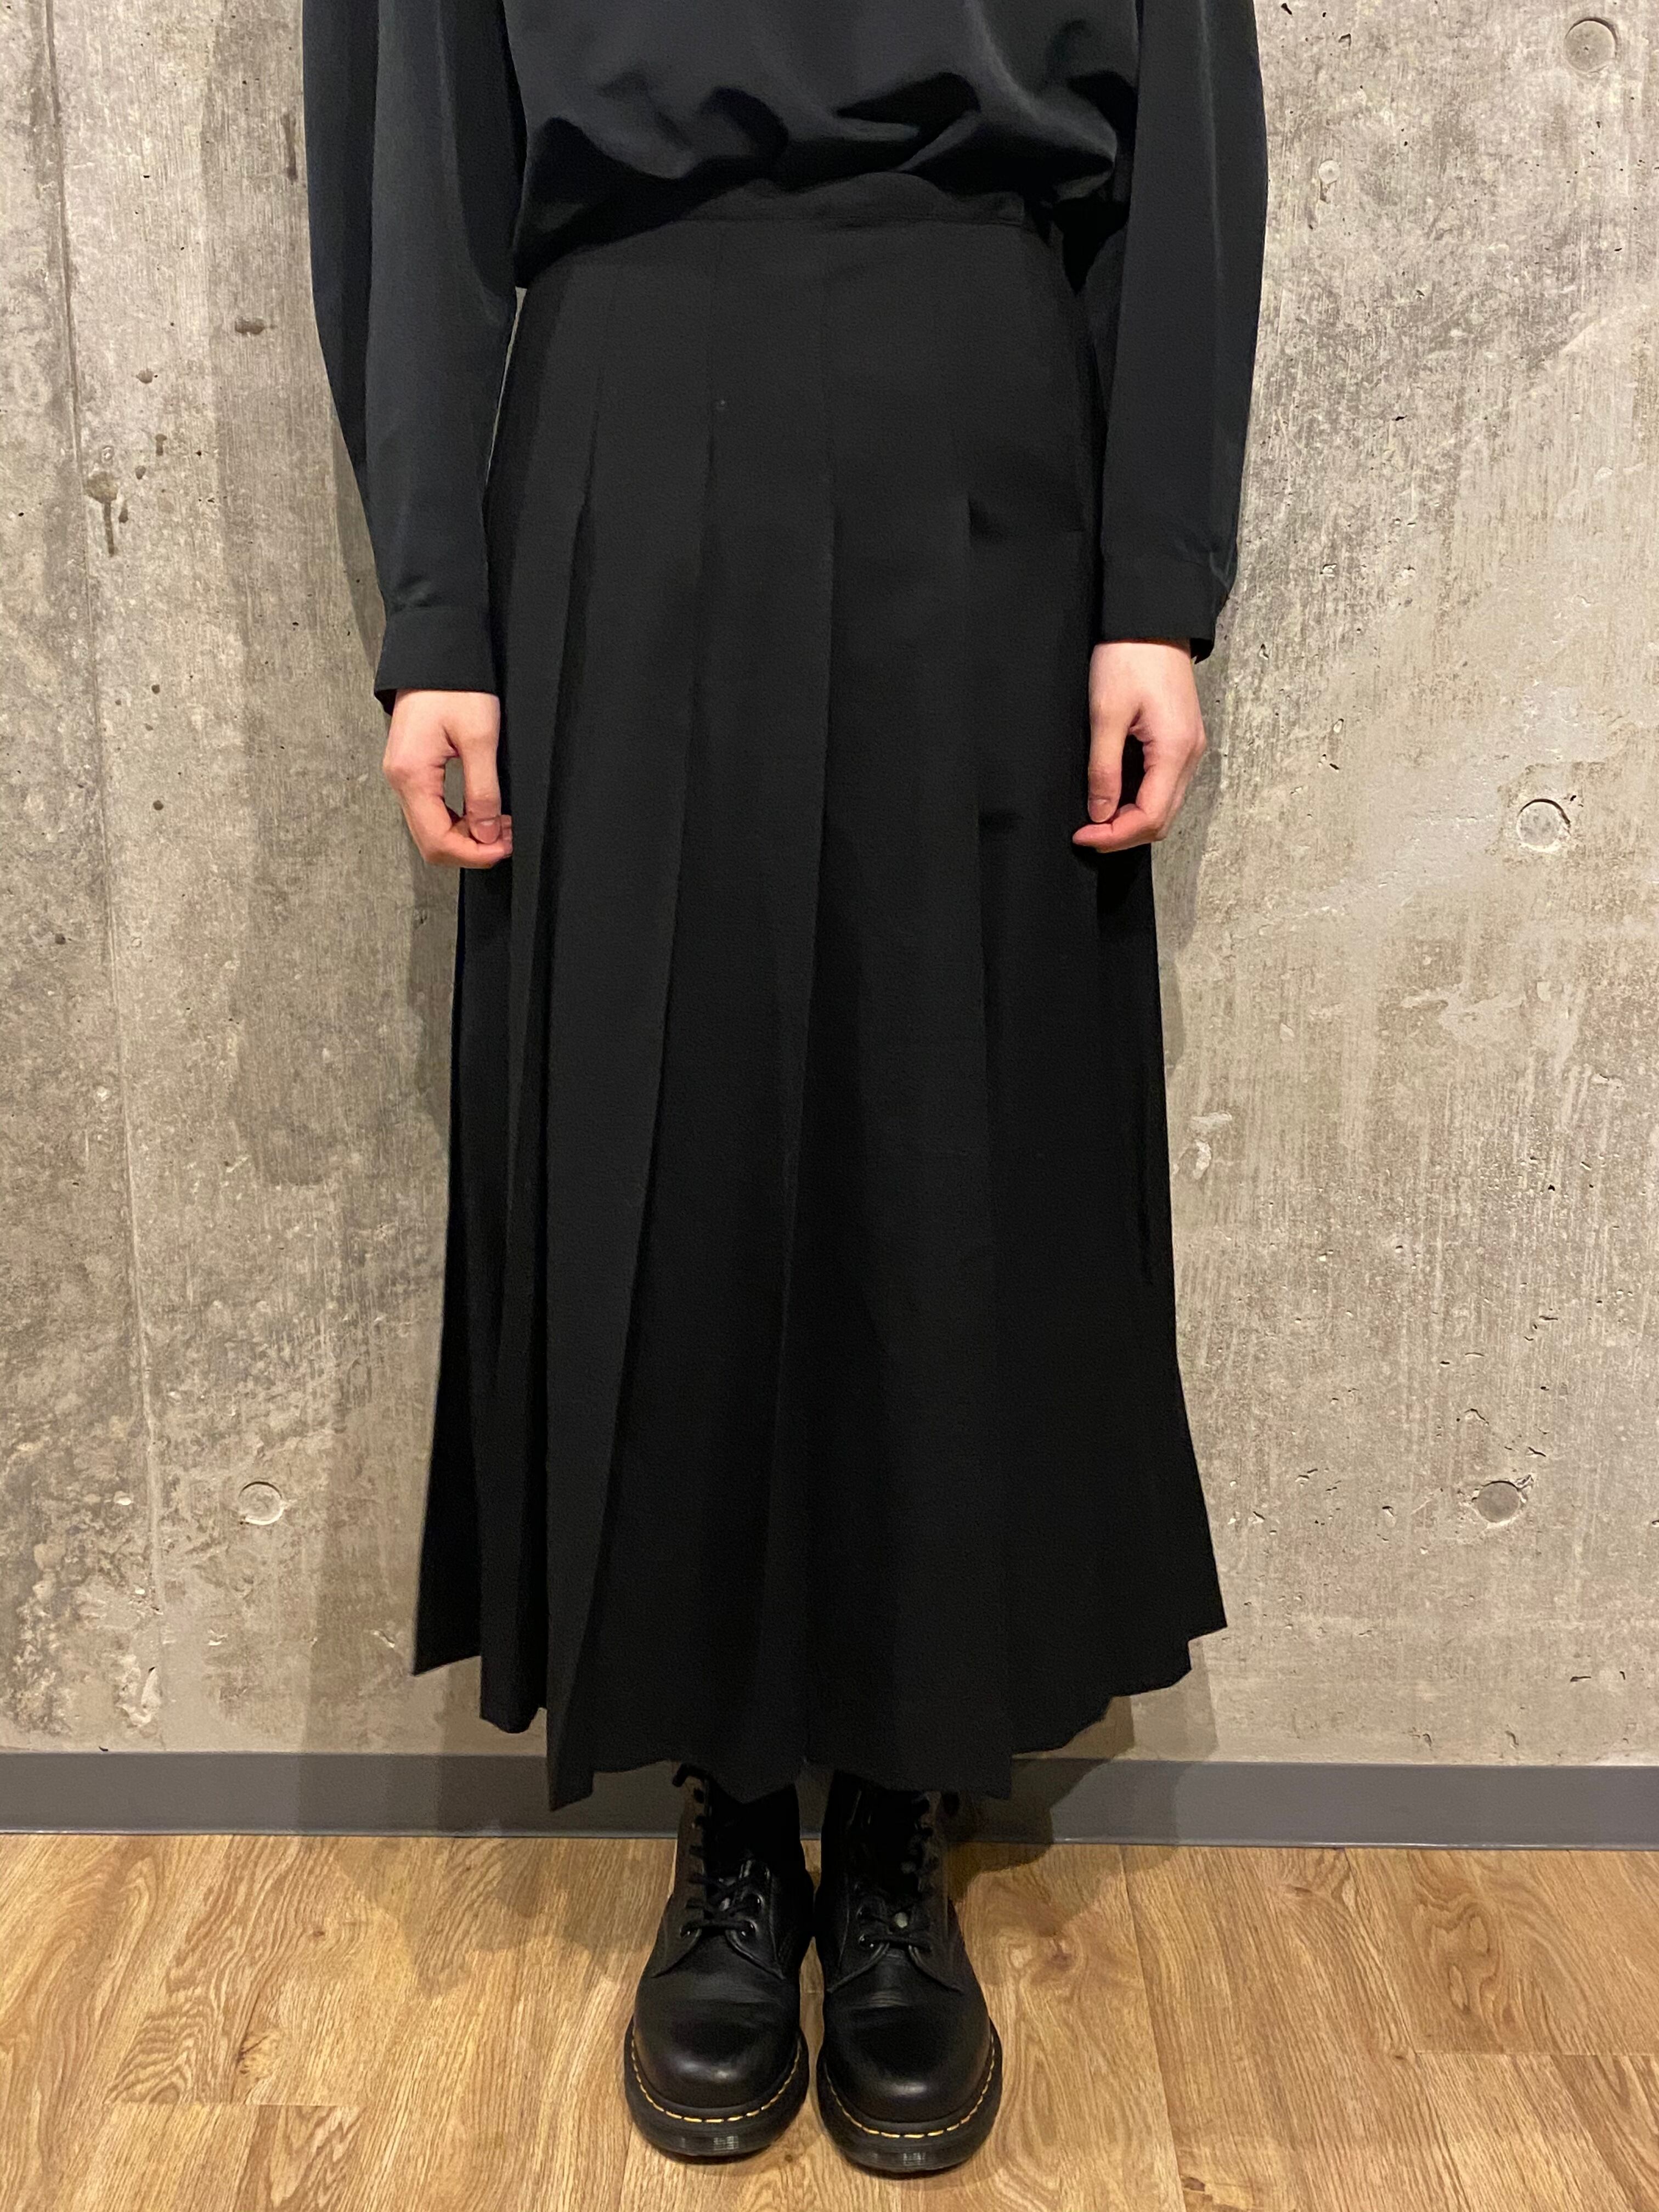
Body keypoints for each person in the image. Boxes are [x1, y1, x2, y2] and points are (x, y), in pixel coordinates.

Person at [302, 0, 1268, 2175]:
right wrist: (435, 606)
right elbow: (408, 140)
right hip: (627, 412)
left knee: (953, 1138)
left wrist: (1157, 574)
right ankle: (731, 1818)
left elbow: (1192, 126)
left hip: (987, 414)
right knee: (673, 1138)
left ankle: (906, 1823)